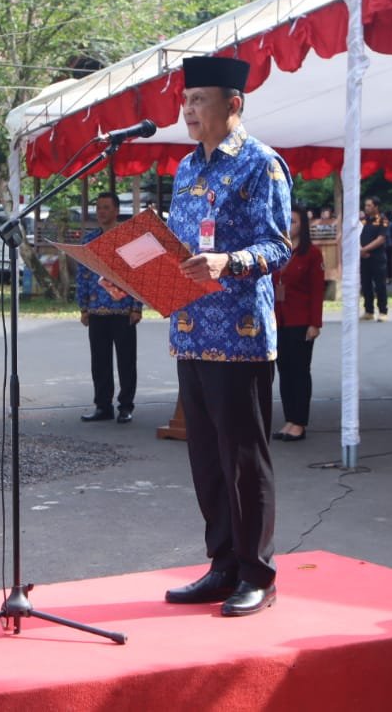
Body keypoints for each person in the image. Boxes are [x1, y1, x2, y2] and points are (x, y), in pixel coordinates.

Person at [159, 55, 292, 618]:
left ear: (233, 104)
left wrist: (228, 262)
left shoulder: (262, 164)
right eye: (184, 100)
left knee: (243, 458)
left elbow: (279, 245)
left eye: (198, 100)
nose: (187, 110)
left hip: (239, 335)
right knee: (206, 458)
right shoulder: (187, 168)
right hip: (189, 329)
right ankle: (221, 565)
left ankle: (256, 572)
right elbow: (176, 241)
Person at [76, 192, 142, 424]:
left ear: (116, 210)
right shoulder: (90, 241)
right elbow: (83, 275)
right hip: (97, 310)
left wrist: (137, 307)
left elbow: (137, 274)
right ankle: (102, 406)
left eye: (106, 207)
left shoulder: (128, 239)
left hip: (124, 310)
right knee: (99, 361)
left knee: (126, 361)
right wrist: (84, 307)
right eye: (98, 207)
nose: (101, 212)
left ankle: (126, 406)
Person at [271, 205, 324, 441]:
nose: (288, 225)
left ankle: (300, 422)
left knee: (300, 371)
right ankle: (289, 419)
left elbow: (316, 292)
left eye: (292, 221)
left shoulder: (311, 254)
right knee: (284, 370)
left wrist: (315, 323)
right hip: (277, 320)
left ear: (302, 226)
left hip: (300, 320)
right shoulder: (277, 250)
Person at [359, 197, 388, 320]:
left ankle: (383, 311)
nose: (366, 208)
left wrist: (365, 249)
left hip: (377, 257)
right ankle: (369, 310)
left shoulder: (383, 220)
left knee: (380, 285)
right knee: (366, 284)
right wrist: (360, 249)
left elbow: (381, 239)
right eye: (365, 205)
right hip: (364, 257)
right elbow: (357, 235)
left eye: (369, 205)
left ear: (376, 207)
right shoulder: (363, 221)